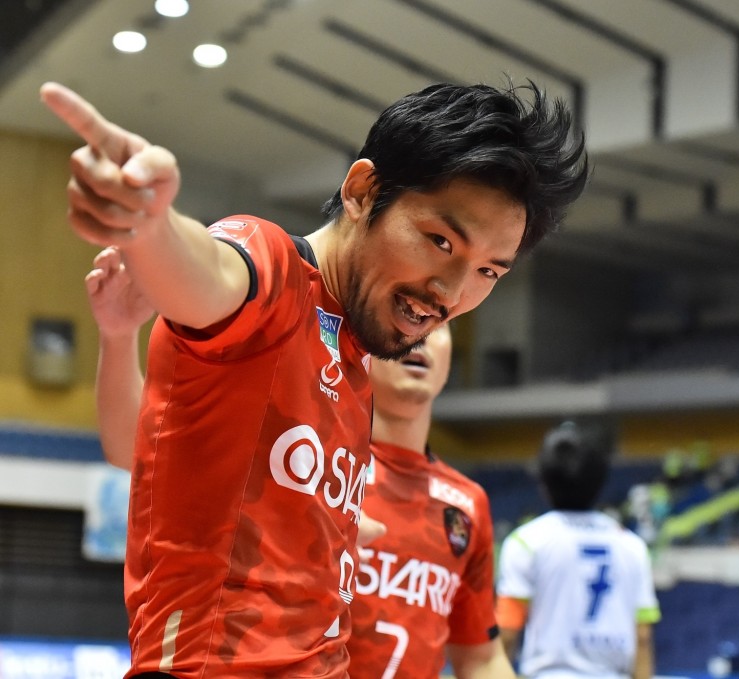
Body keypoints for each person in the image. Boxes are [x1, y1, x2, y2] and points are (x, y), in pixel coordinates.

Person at [46, 77, 587, 678]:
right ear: (362, 191)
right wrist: (151, 226)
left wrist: (329, 529)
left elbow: (149, 451)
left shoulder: (357, 355)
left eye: (488, 271)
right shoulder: (272, 271)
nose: (452, 292)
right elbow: (210, 272)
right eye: (440, 241)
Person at [86, 247, 513, 679]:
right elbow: (140, 448)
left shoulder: (466, 504)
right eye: (407, 316)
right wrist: (118, 337)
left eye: (439, 326)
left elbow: (480, 657)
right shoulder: (304, 453)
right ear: (366, 342)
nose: (422, 336)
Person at [495, 422, 661, 679]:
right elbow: (643, 638)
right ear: (601, 482)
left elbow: (507, 632)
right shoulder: (632, 545)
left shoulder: (526, 542)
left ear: (543, 482)